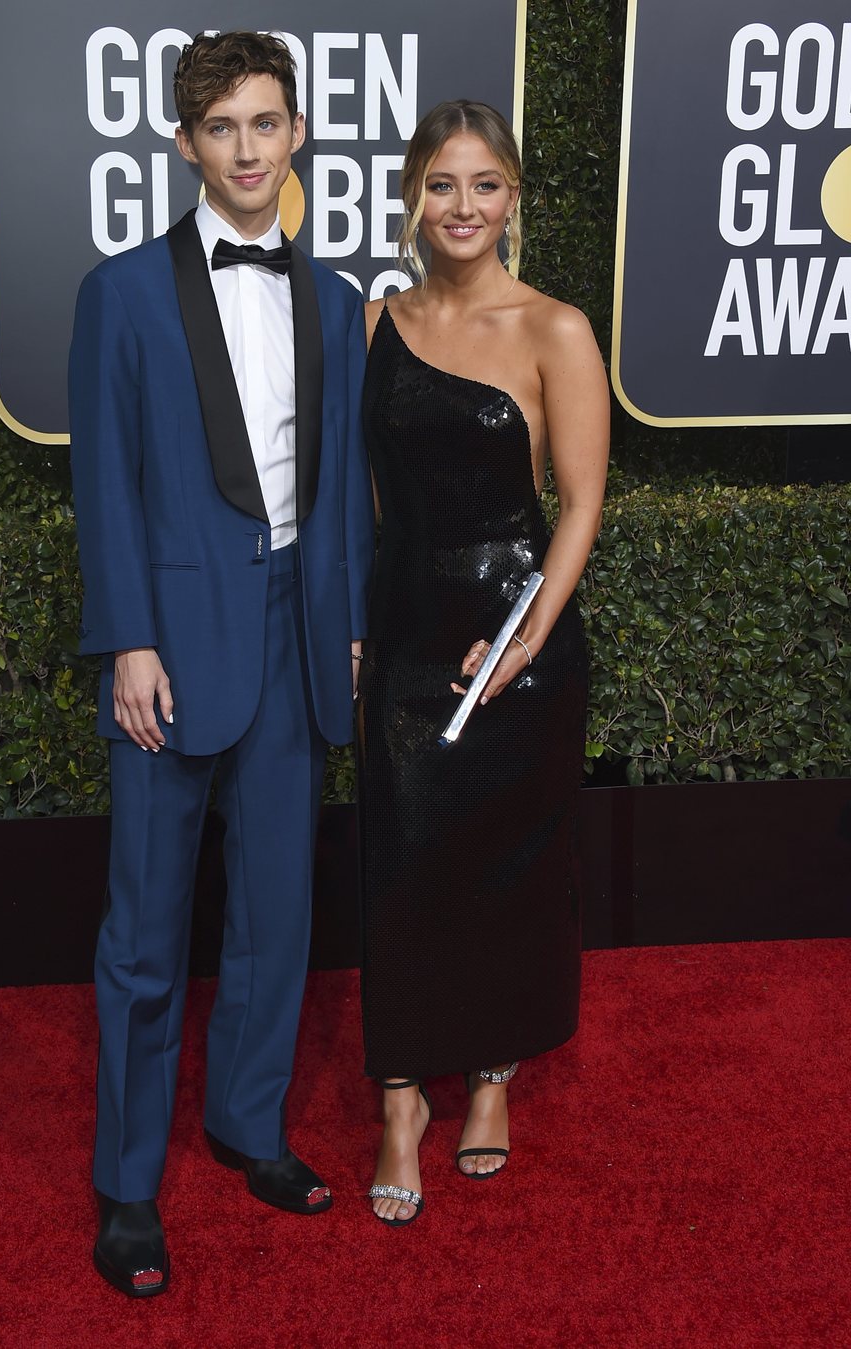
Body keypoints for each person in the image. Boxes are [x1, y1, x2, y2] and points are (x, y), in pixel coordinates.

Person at [69, 31, 374, 1294]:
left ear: (296, 132)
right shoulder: (123, 292)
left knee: (277, 914)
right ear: (188, 145)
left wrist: (347, 622)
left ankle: (250, 1124)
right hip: (171, 648)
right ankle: (128, 1184)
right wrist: (128, 637)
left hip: (295, 637)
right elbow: (105, 484)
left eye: (267, 123)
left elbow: (344, 480)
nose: (248, 150)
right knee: (144, 934)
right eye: (223, 129)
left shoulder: (339, 297)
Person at [357, 100, 610, 1225]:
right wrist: (361, 625)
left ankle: (493, 1077)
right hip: (406, 633)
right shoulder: (376, 323)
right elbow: (367, 501)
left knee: (509, 863)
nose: (464, 207)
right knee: (402, 866)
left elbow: (582, 503)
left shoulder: (554, 327)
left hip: (520, 635)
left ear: (513, 197)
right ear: (415, 193)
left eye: (487, 185)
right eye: (444, 184)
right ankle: (401, 1100)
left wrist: (526, 641)